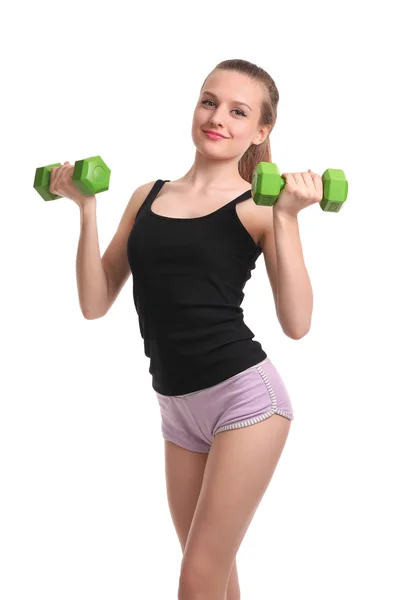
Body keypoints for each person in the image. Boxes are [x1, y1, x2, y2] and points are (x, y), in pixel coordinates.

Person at [49, 58, 322, 600]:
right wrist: (86, 210)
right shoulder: (147, 195)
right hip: (177, 409)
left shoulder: (260, 206)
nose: (217, 117)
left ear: (260, 131)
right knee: (216, 578)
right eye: (208, 101)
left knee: (196, 580)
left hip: (246, 400)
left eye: (238, 111)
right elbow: (95, 301)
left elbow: (297, 324)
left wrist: (288, 217)